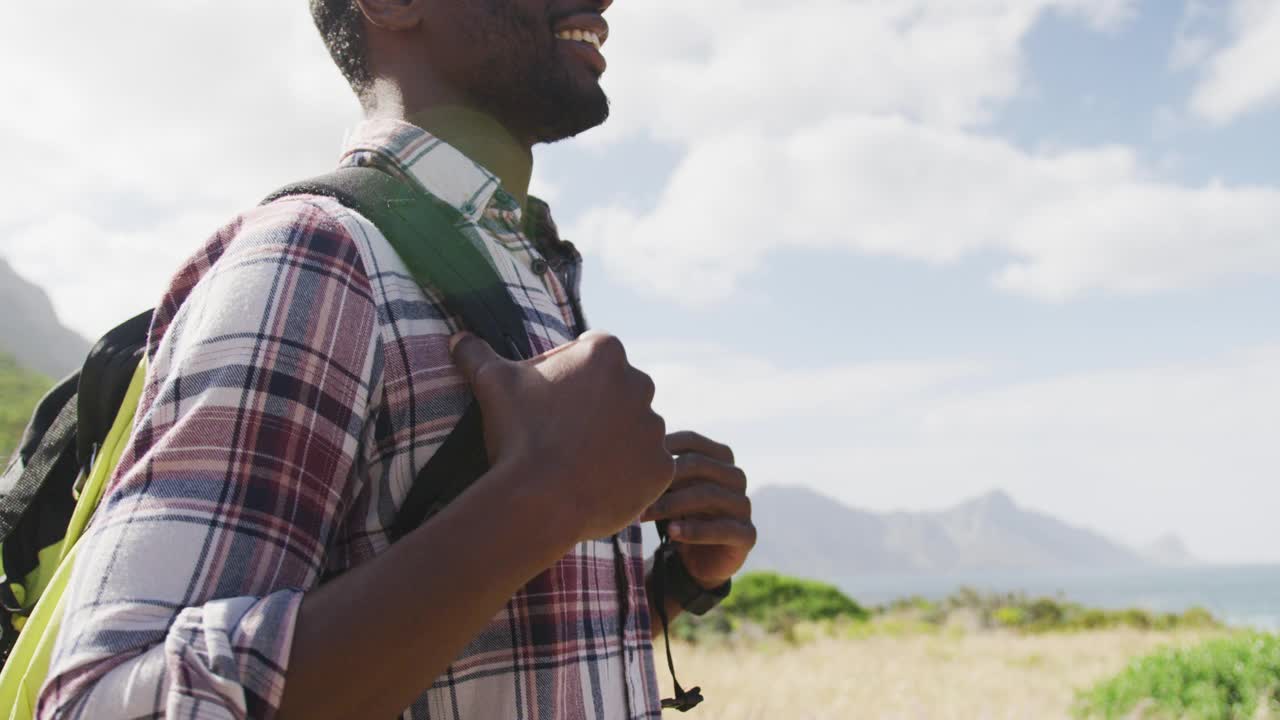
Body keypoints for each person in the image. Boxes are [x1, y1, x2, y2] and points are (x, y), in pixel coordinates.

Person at [36, 1, 757, 718]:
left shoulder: (524, 269)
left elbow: (478, 655)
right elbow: (99, 704)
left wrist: (669, 589)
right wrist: (540, 500)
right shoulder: (318, 255)